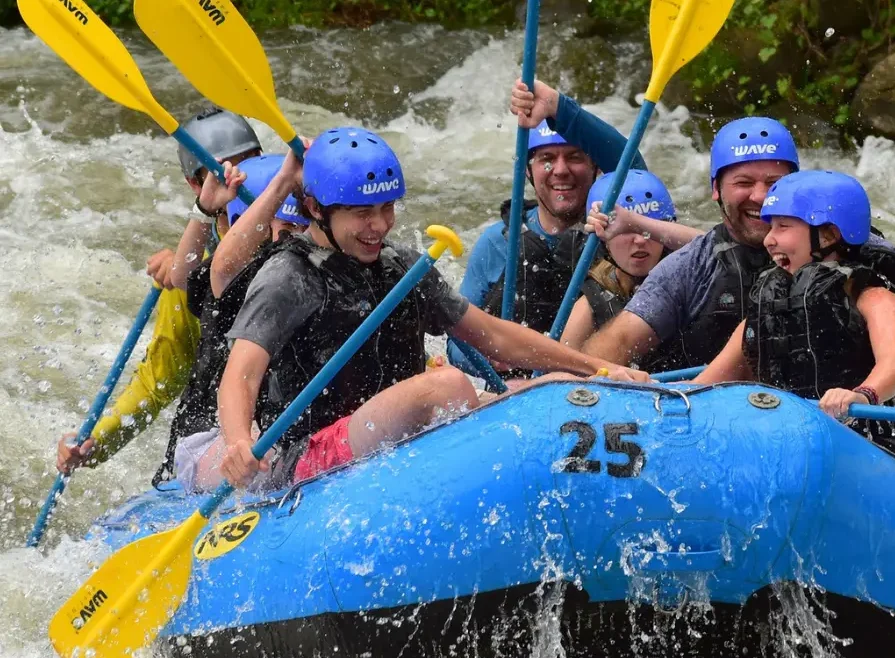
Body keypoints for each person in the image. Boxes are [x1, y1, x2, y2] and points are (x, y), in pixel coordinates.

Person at [182, 127, 645, 492]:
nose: (379, 225)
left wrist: (597, 368)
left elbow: (494, 336)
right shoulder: (289, 276)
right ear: (314, 207)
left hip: (389, 435)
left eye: (386, 208)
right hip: (307, 457)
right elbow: (240, 372)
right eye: (362, 213)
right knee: (443, 386)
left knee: (552, 387)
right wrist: (241, 442)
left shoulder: (400, 264)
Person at [579, 116, 895, 371]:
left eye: (774, 184)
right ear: (716, 189)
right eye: (744, 183)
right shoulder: (692, 266)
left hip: (844, 416)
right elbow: (621, 341)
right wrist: (577, 379)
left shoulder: (838, 239)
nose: (761, 198)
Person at [56, 108, 263, 477]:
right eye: (224, 171)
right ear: (195, 185)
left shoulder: (296, 231)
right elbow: (158, 382)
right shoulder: (188, 278)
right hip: (214, 438)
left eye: (251, 166)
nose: (241, 181)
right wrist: (97, 441)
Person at [693, 170, 895, 458]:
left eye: (783, 226)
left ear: (828, 235)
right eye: (770, 227)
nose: (768, 240)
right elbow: (703, 384)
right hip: (792, 438)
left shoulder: (874, 298)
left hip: (868, 442)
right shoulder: (768, 308)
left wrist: (862, 394)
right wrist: (643, 385)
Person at [448, 79, 648, 377]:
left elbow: (632, 170)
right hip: (516, 388)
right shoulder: (498, 241)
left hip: (599, 378)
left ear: (597, 167)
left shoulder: (616, 231)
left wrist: (559, 108)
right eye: (547, 159)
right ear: (528, 171)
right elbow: (456, 341)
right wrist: (489, 359)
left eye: (575, 157)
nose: (561, 170)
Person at [155, 155, 308, 486]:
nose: (298, 239)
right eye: (288, 229)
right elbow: (193, 274)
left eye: (305, 229)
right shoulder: (237, 279)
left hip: (268, 424)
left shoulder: (313, 274)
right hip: (210, 436)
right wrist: (204, 210)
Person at [562, 170, 700, 373]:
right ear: (604, 241)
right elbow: (559, 378)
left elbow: (718, 248)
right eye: (626, 230)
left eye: (649, 229)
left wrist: (636, 222)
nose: (640, 240)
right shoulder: (589, 305)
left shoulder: (693, 275)